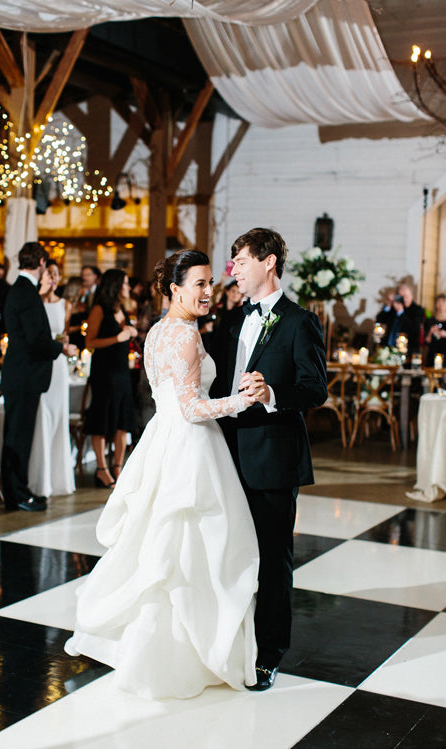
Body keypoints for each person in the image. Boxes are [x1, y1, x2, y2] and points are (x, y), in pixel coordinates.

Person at [65, 249, 260, 698]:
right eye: (200, 284)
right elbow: (192, 408)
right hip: (190, 444)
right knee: (188, 546)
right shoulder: (186, 336)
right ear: (175, 288)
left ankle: (160, 646)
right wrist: (243, 401)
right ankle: (185, 653)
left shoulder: (158, 331)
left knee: (164, 545)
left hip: (162, 438)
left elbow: (169, 397)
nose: (209, 291)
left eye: (212, 282)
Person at [211, 227, 327, 691]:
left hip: (273, 458)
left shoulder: (300, 322)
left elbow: (315, 388)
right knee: (229, 553)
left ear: (269, 262)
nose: (233, 269)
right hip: (225, 453)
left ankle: (269, 653)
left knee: (272, 559)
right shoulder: (233, 318)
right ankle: (230, 641)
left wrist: (273, 393)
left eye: (239, 260)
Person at [0, 242, 77, 512]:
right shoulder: (26, 292)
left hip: (20, 374)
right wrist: (62, 348)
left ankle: (17, 492)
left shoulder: (20, 289)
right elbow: (36, 339)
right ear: (41, 262)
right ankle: (18, 494)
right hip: (24, 375)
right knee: (17, 439)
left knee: (17, 437)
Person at [83, 269, 138, 488]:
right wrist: (118, 337)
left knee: (122, 421)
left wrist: (130, 332)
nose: (129, 288)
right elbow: (90, 342)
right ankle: (101, 469)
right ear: (115, 286)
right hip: (104, 373)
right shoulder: (99, 309)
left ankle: (118, 466)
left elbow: (125, 333)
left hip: (122, 371)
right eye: (125, 284)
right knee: (102, 419)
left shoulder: (122, 308)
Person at [27, 261, 75, 498]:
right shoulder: (33, 301)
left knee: (58, 418)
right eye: (50, 274)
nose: (54, 278)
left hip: (58, 366)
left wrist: (64, 343)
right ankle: (39, 480)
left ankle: (58, 479)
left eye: (57, 274)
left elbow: (62, 335)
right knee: (41, 418)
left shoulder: (65, 304)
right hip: (39, 366)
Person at [377, 283, 424, 353]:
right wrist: (389, 305)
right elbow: (380, 321)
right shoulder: (393, 308)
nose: (403, 300)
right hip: (388, 349)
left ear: (411, 296)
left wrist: (401, 312)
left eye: (406, 296)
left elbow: (413, 329)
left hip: (407, 350)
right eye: (401, 297)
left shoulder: (417, 310)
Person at [424, 293, 446, 366]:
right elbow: (427, 341)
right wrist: (431, 331)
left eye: (443, 302)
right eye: (438, 302)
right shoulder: (430, 321)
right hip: (433, 353)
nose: (441, 305)